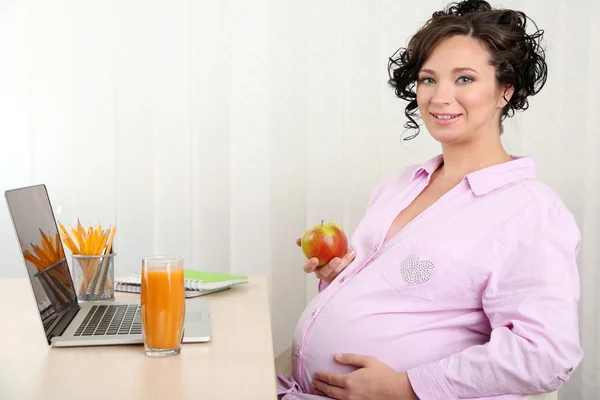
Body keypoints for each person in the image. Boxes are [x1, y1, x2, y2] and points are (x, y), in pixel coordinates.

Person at [276, 0, 584, 399]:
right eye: (428, 79)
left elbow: (544, 353)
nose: (439, 97)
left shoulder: (530, 211)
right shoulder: (401, 184)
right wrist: (343, 282)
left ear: (505, 90)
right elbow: (415, 295)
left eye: (465, 79)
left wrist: (408, 387)